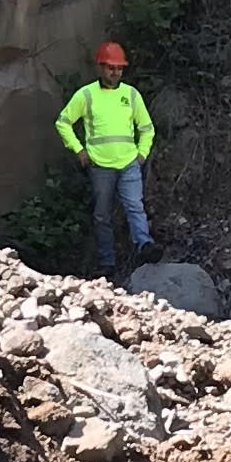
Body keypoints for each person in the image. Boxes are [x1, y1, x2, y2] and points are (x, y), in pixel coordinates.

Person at [56, 41, 158, 282]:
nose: (116, 73)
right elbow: (63, 122)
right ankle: (106, 262)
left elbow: (147, 128)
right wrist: (79, 150)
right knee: (102, 214)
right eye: (111, 68)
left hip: (129, 162)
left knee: (135, 205)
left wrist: (142, 154)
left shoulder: (131, 95)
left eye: (119, 68)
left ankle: (145, 246)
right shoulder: (87, 95)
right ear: (101, 67)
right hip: (100, 165)